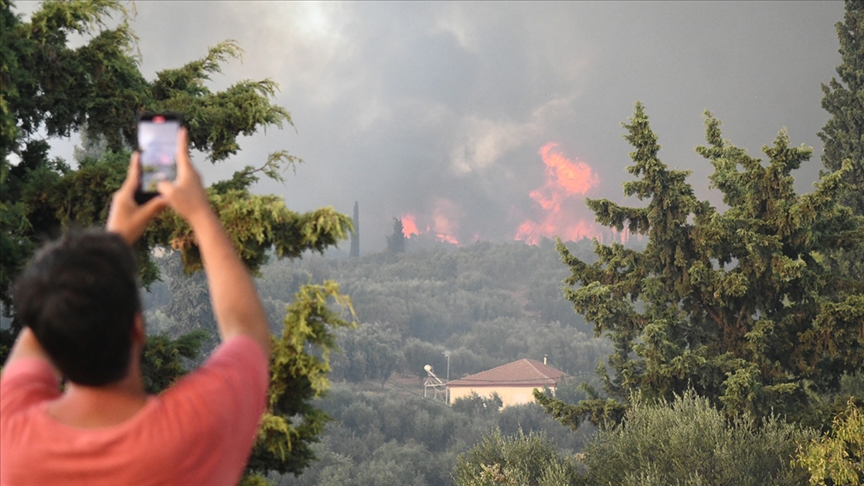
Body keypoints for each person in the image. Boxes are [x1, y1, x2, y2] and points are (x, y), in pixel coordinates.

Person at [0, 129, 271, 485]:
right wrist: (200, 213)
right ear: (138, 327)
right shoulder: (190, 434)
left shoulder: (12, 437)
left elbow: (44, 326)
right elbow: (247, 333)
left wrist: (107, 253)